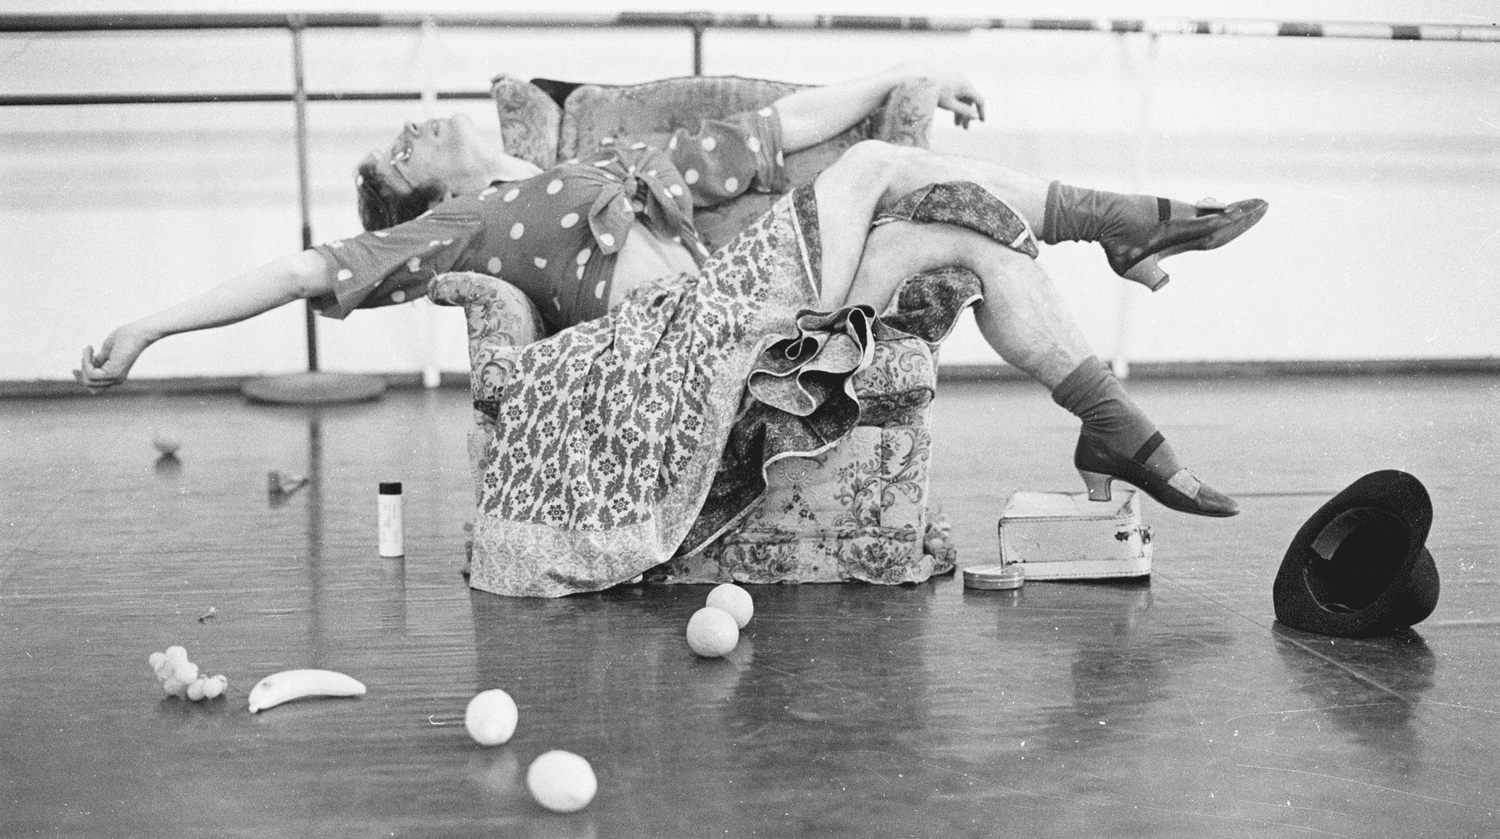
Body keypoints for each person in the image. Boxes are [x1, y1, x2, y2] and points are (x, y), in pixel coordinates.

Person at [76, 65, 1262, 595]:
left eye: (401, 131)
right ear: (414, 196)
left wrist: (898, 68)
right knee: (891, 169)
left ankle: (1116, 430)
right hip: (683, 341)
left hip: (759, 308)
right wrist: (141, 328)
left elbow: (785, 122)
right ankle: (1131, 224)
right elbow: (297, 268)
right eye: (396, 153)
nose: (411, 125)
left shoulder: (609, 164)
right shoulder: (453, 229)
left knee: (966, 231)